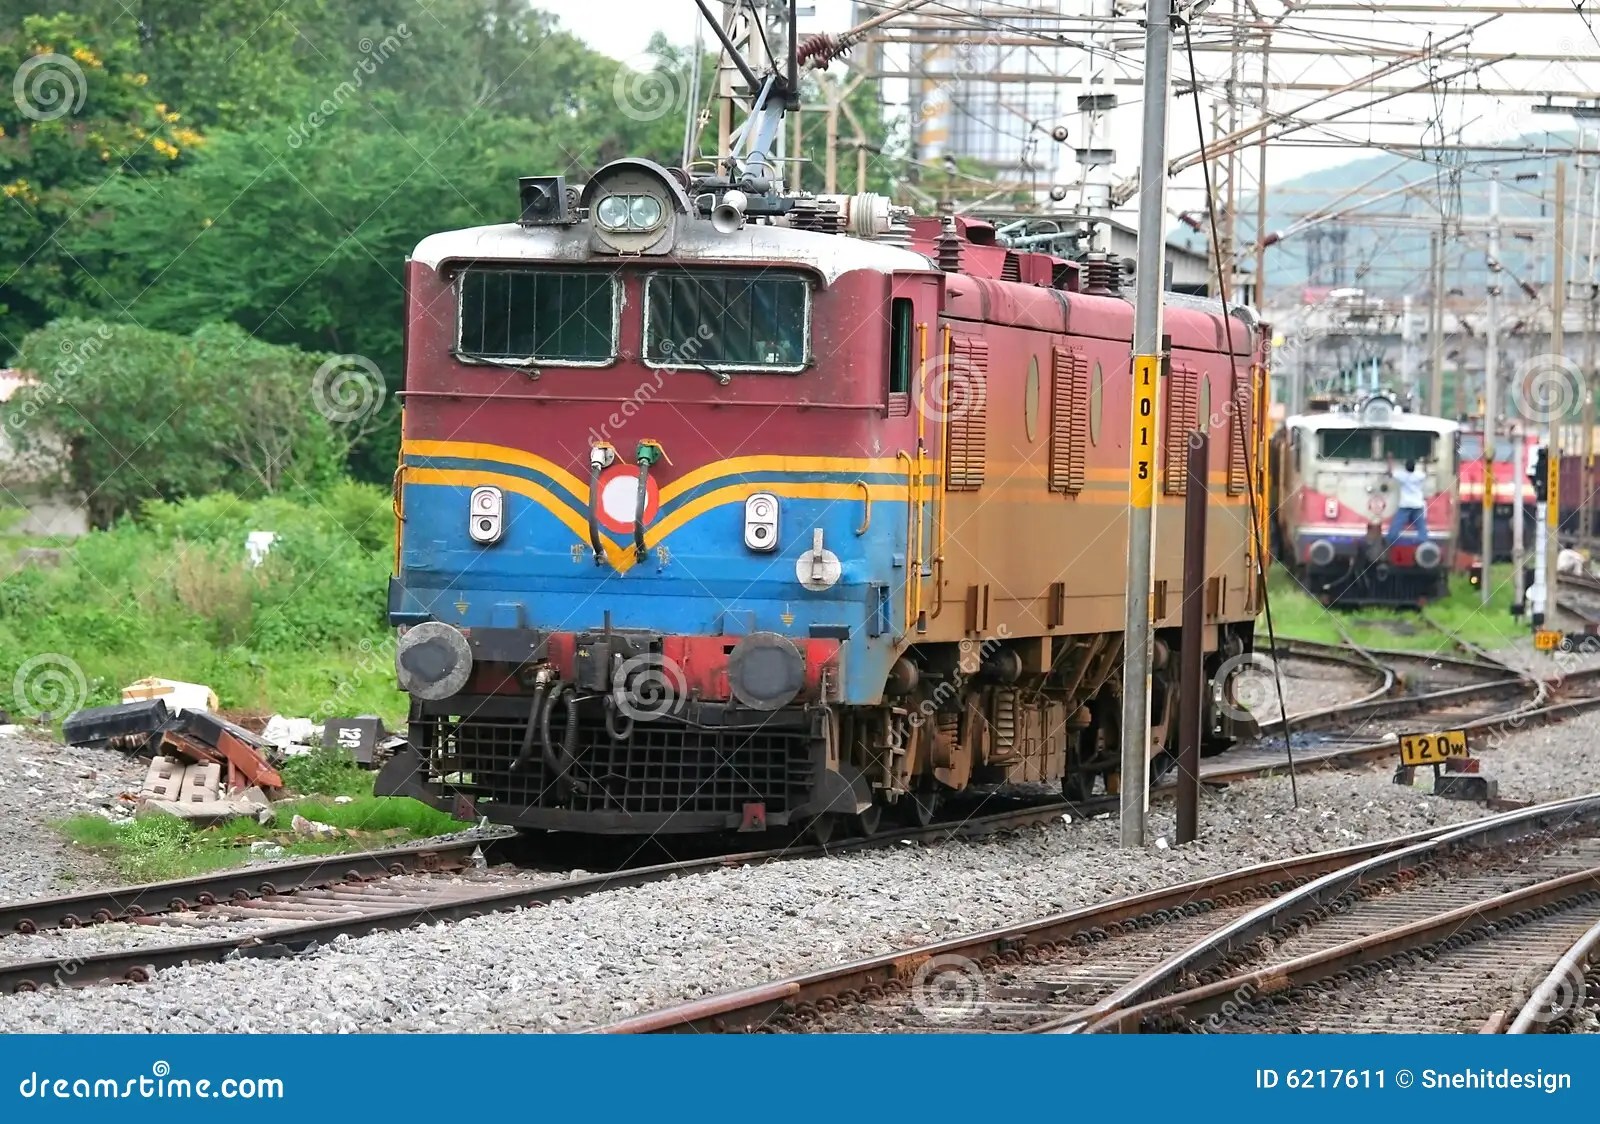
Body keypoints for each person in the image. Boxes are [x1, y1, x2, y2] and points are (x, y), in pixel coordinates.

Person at [1385, 453, 1428, 543]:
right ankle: (1422, 542)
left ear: (1405, 467)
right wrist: (1425, 462)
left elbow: (1390, 473)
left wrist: (1390, 459)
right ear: (1414, 467)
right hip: (1417, 505)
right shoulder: (1419, 475)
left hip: (1405, 505)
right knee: (1421, 527)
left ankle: (1389, 542)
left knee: (1396, 526)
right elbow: (1425, 473)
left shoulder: (1402, 475)